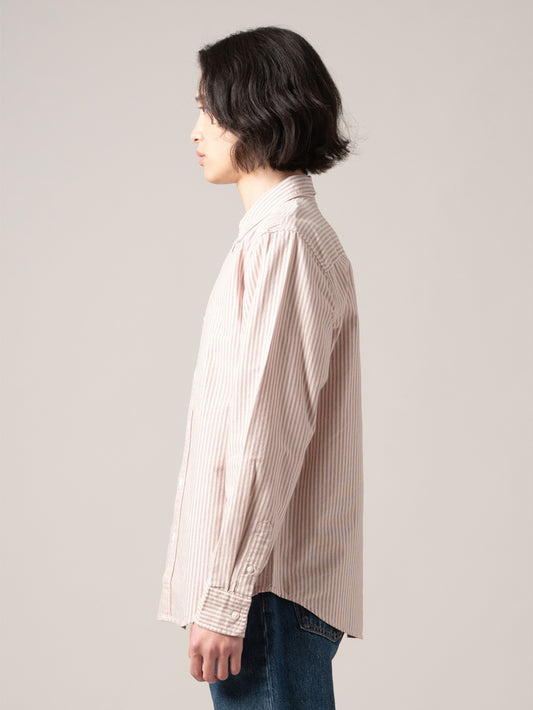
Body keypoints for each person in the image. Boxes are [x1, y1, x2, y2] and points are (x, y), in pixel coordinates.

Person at [156, 25, 364, 710]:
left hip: (264, 591)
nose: (196, 131)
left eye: (208, 110)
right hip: (263, 587)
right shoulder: (277, 239)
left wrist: (224, 596)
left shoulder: (285, 242)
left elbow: (265, 435)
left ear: (256, 110)